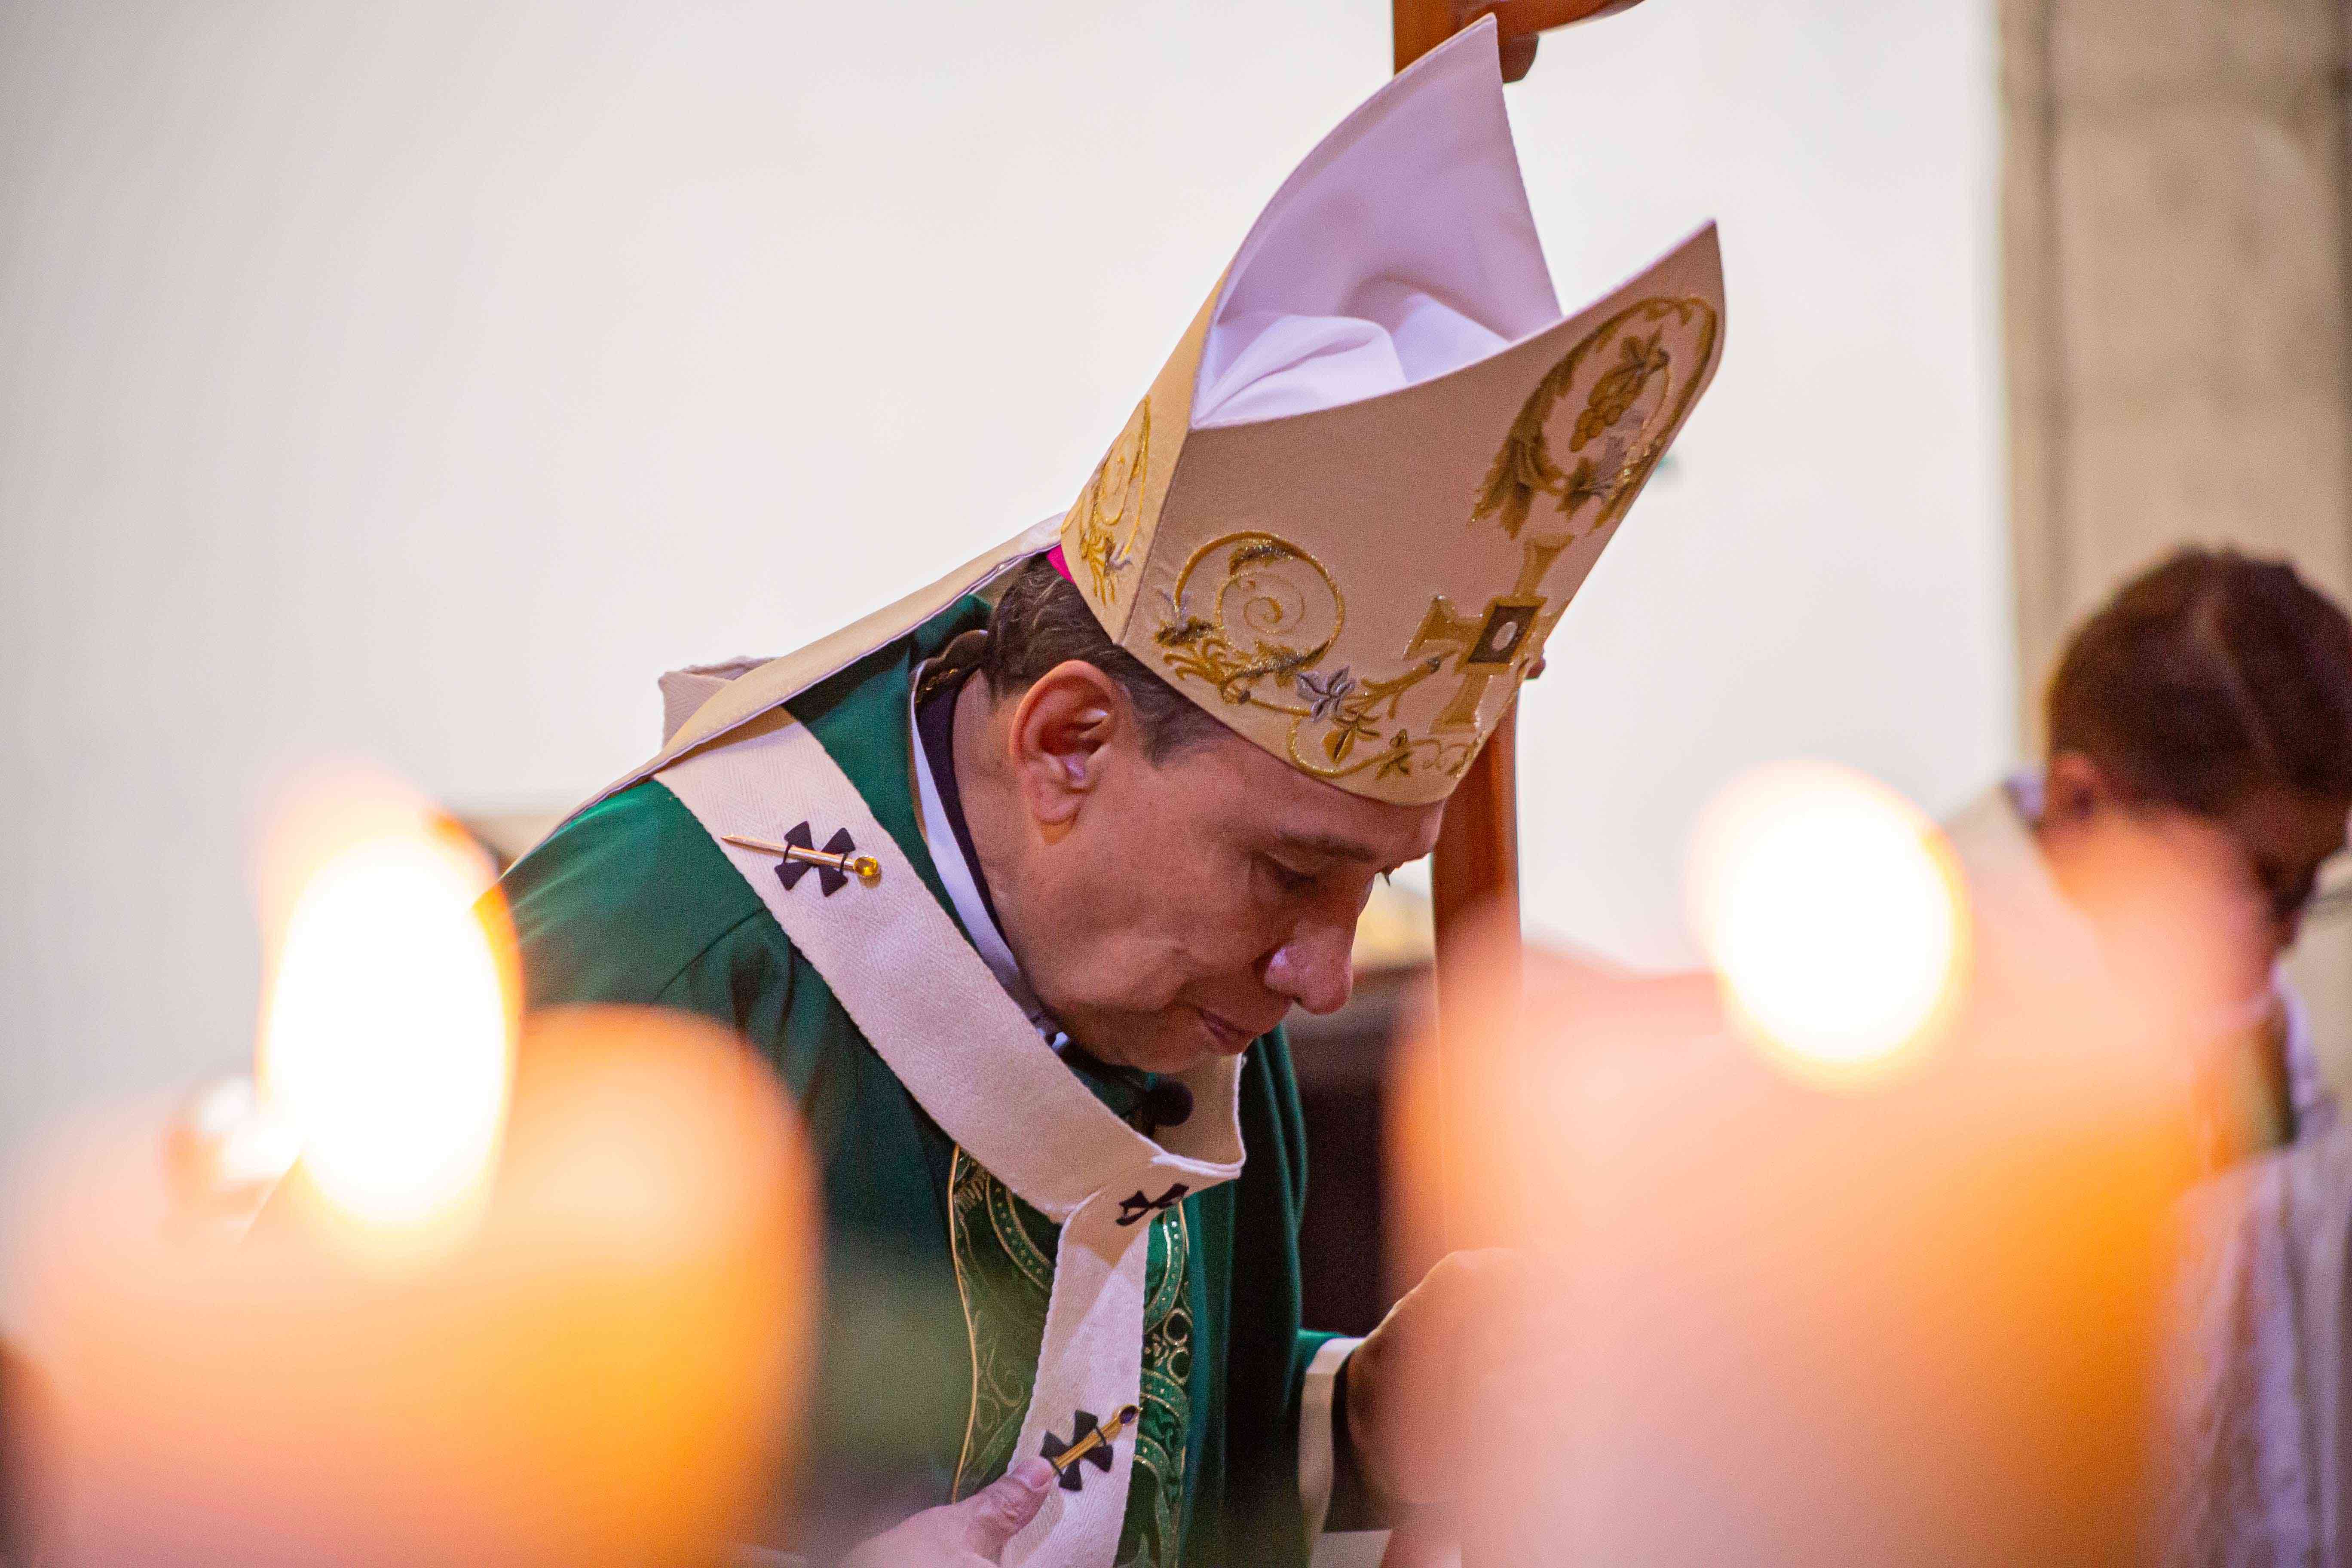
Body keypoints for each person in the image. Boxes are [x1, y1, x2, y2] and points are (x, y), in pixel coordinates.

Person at [498, 21, 1723, 1568]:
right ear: (1068, 741)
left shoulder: (1195, 995)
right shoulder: (656, 965)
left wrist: (1359, 1422)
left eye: (1375, 883)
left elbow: (1141, 1456)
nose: (1327, 970)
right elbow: (357, 1483)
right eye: (1293, 870)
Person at [1944, 548, 2352, 1172]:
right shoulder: (1897, 1023)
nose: (2289, 936)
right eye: (2262, 881)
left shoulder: (2232, 1001)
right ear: (2079, 805)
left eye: (2310, 883)